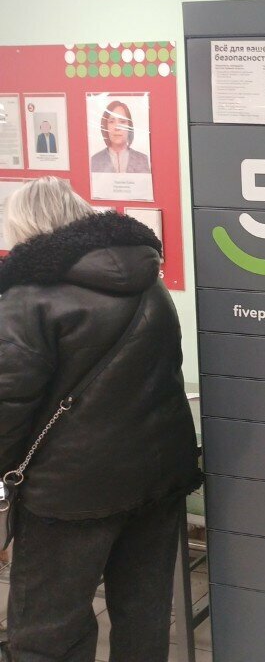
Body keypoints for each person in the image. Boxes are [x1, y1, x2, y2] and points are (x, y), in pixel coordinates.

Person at [0, 177, 200, 662]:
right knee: (144, 616)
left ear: (24, 226)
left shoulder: (29, 297)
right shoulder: (148, 279)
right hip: (157, 477)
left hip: (69, 492)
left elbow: (8, 403)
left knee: (49, 630)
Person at [89, 101, 151, 174]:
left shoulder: (142, 160)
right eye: (111, 122)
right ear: (105, 126)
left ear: (129, 126)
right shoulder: (95, 161)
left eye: (122, 121)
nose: (117, 127)